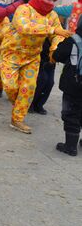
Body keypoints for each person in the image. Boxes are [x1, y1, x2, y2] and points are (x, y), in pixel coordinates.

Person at [0, 0, 73, 133]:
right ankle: (19, 103)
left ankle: (17, 119)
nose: (51, 3)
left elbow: (57, 35)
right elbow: (23, 27)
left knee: (28, 88)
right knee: (11, 87)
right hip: (11, 55)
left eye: (54, 0)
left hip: (32, 57)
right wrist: (51, 29)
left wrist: (54, 49)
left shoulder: (52, 15)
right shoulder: (24, 9)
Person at [52, 18, 82, 156]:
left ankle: (70, 146)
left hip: (74, 84)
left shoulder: (73, 40)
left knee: (71, 113)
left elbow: (57, 55)